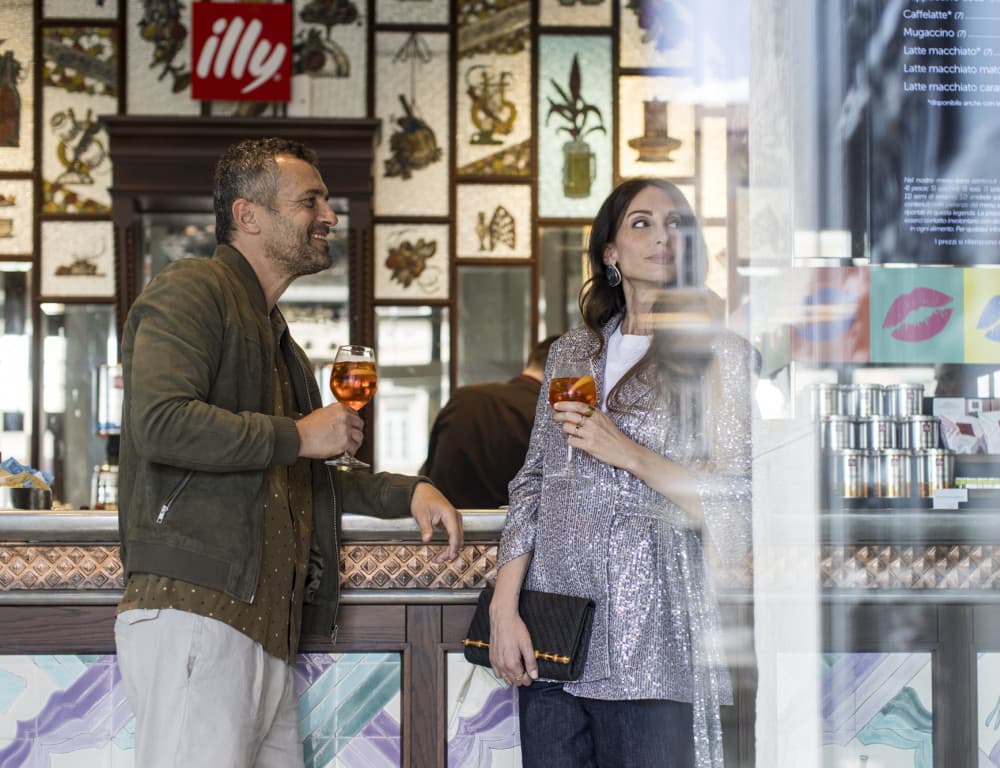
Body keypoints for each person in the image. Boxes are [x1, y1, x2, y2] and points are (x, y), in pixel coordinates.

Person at [114, 137, 463, 767]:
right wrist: (300, 434)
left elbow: (306, 475)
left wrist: (407, 490)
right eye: (311, 200)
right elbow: (160, 423)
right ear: (247, 216)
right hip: (197, 614)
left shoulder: (279, 340)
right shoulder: (193, 288)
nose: (329, 215)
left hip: (261, 629)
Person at [487, 178, 755, 767]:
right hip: (555, 628)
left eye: (677, 224)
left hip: (654, 631)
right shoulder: (570, 353)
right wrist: (504, 611)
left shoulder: (720, 355)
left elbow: (738, 497)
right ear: (609, 251)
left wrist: (628, 451)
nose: (663, 235)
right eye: (642, 223)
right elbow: (533, 483)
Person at [421, 335, 560, 508]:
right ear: (565, 368)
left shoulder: (464, 398)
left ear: (532, 361)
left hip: (443, 528)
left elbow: (427, 474)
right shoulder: (551, 416)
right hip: (508, 531)